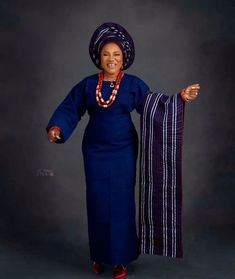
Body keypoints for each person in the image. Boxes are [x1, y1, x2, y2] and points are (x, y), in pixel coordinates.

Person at [46, 22, 200, 279]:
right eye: (106, 54)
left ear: (124, 58)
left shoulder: (133, 84)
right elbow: (69, 107)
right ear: (98, 57)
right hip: (94, 151)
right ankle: (98, 255)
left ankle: (120, 260)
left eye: (117, 54)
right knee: (96, 203)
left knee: (121, 204)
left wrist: (179, 98)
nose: (111, 59)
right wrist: (56, 127)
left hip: (123, 152)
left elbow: (155, 107)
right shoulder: (86, 85)